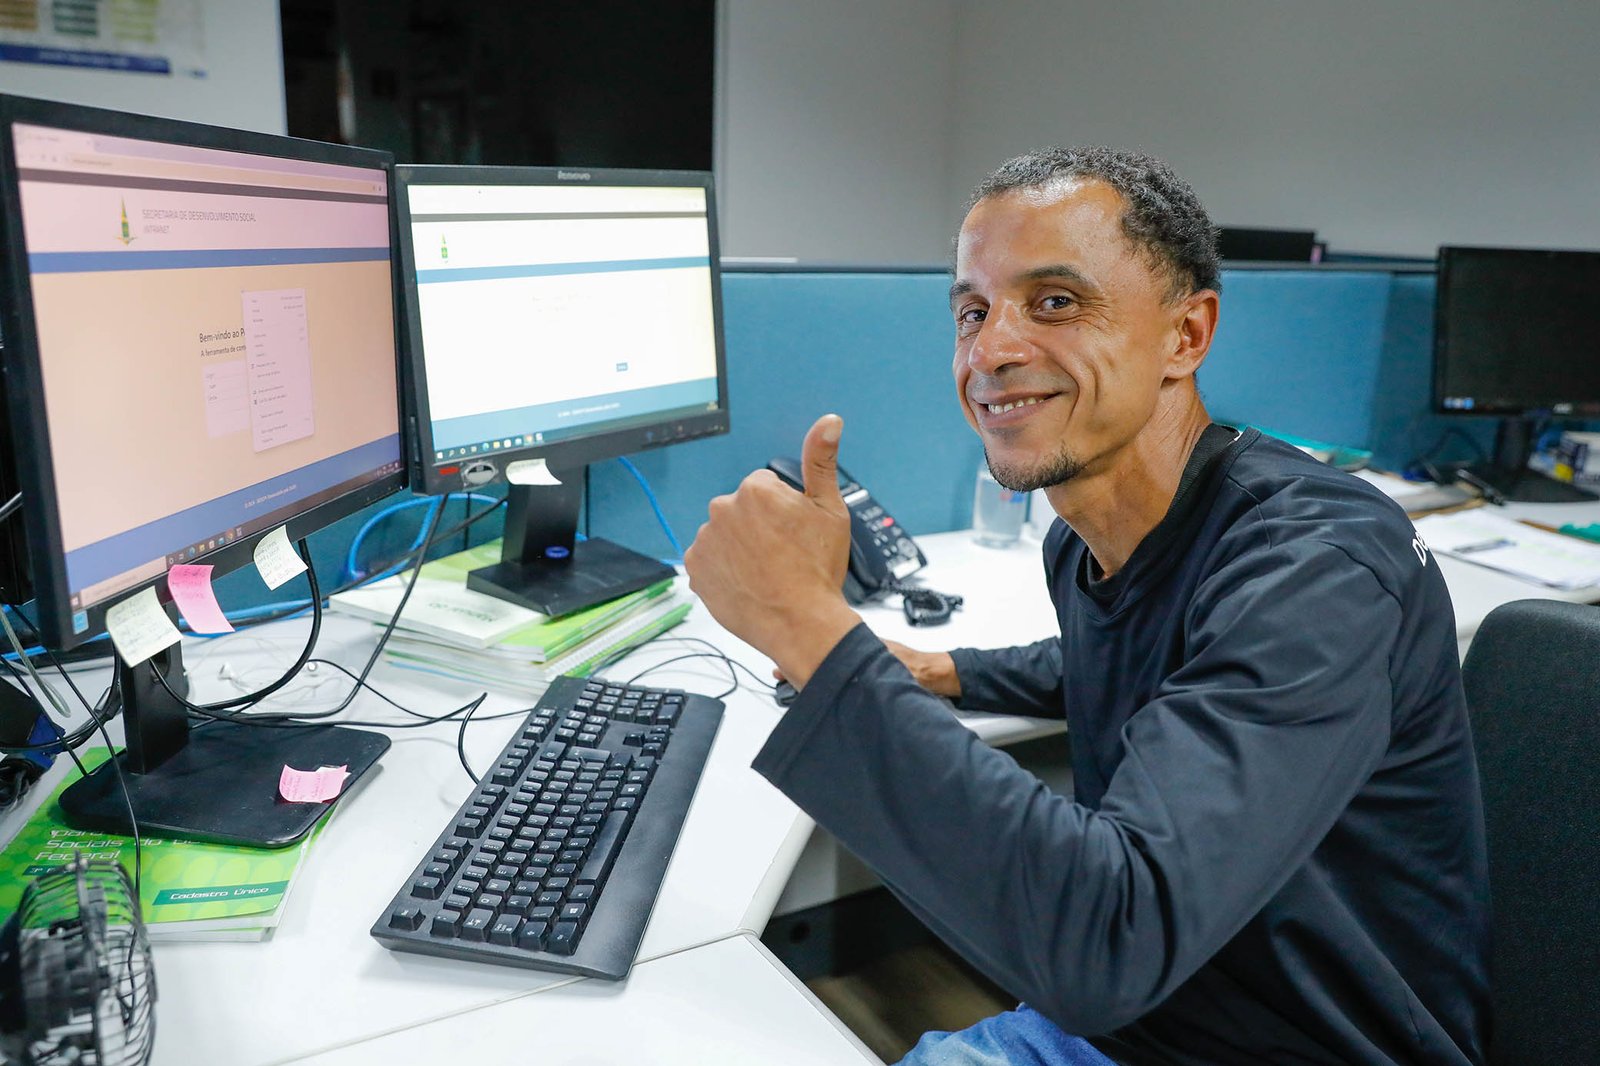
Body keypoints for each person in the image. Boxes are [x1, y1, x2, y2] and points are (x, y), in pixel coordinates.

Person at [682, 147, 1490, 1065]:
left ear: (1186, 335)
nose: (990, 352)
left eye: (1056, 302)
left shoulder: (1318, 564)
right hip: (1156, 1006)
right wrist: (937, 670)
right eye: (972, 312)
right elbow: (1136, 661)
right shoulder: (1088, 537)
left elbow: (1110, 941)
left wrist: (810, 632)